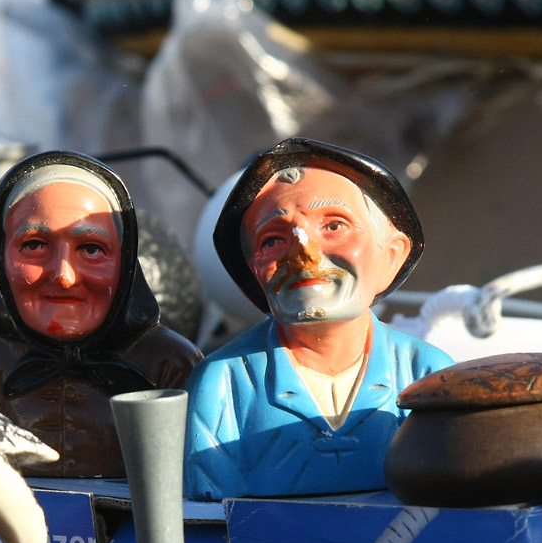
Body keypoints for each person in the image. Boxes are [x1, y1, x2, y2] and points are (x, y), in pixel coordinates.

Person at [183, 138, 453, 501]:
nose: (304, 252)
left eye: (333, 226)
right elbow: (207, 514)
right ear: (255, 274)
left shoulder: (428, 375)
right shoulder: (224, 386)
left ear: (391, 256)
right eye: (273, 240)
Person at [0, 151, 201, 478]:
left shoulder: (171, 364)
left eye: (91, 249)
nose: (64, 276)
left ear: (125, 263)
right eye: (35, 245)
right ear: (0, 257)